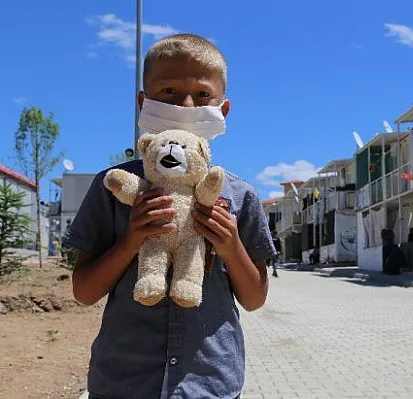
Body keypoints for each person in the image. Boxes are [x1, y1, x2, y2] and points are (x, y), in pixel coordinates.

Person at [63, 34, 276, 398]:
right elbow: (84, 291)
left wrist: (230, 245)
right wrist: (131, 241)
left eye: (203, 95)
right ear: (143, 103)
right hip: (124, 381)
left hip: (209, 381)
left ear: (222, 110)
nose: (187, 104)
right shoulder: (113, 188)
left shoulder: (240, 195)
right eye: (169, 91)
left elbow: (255, 298)